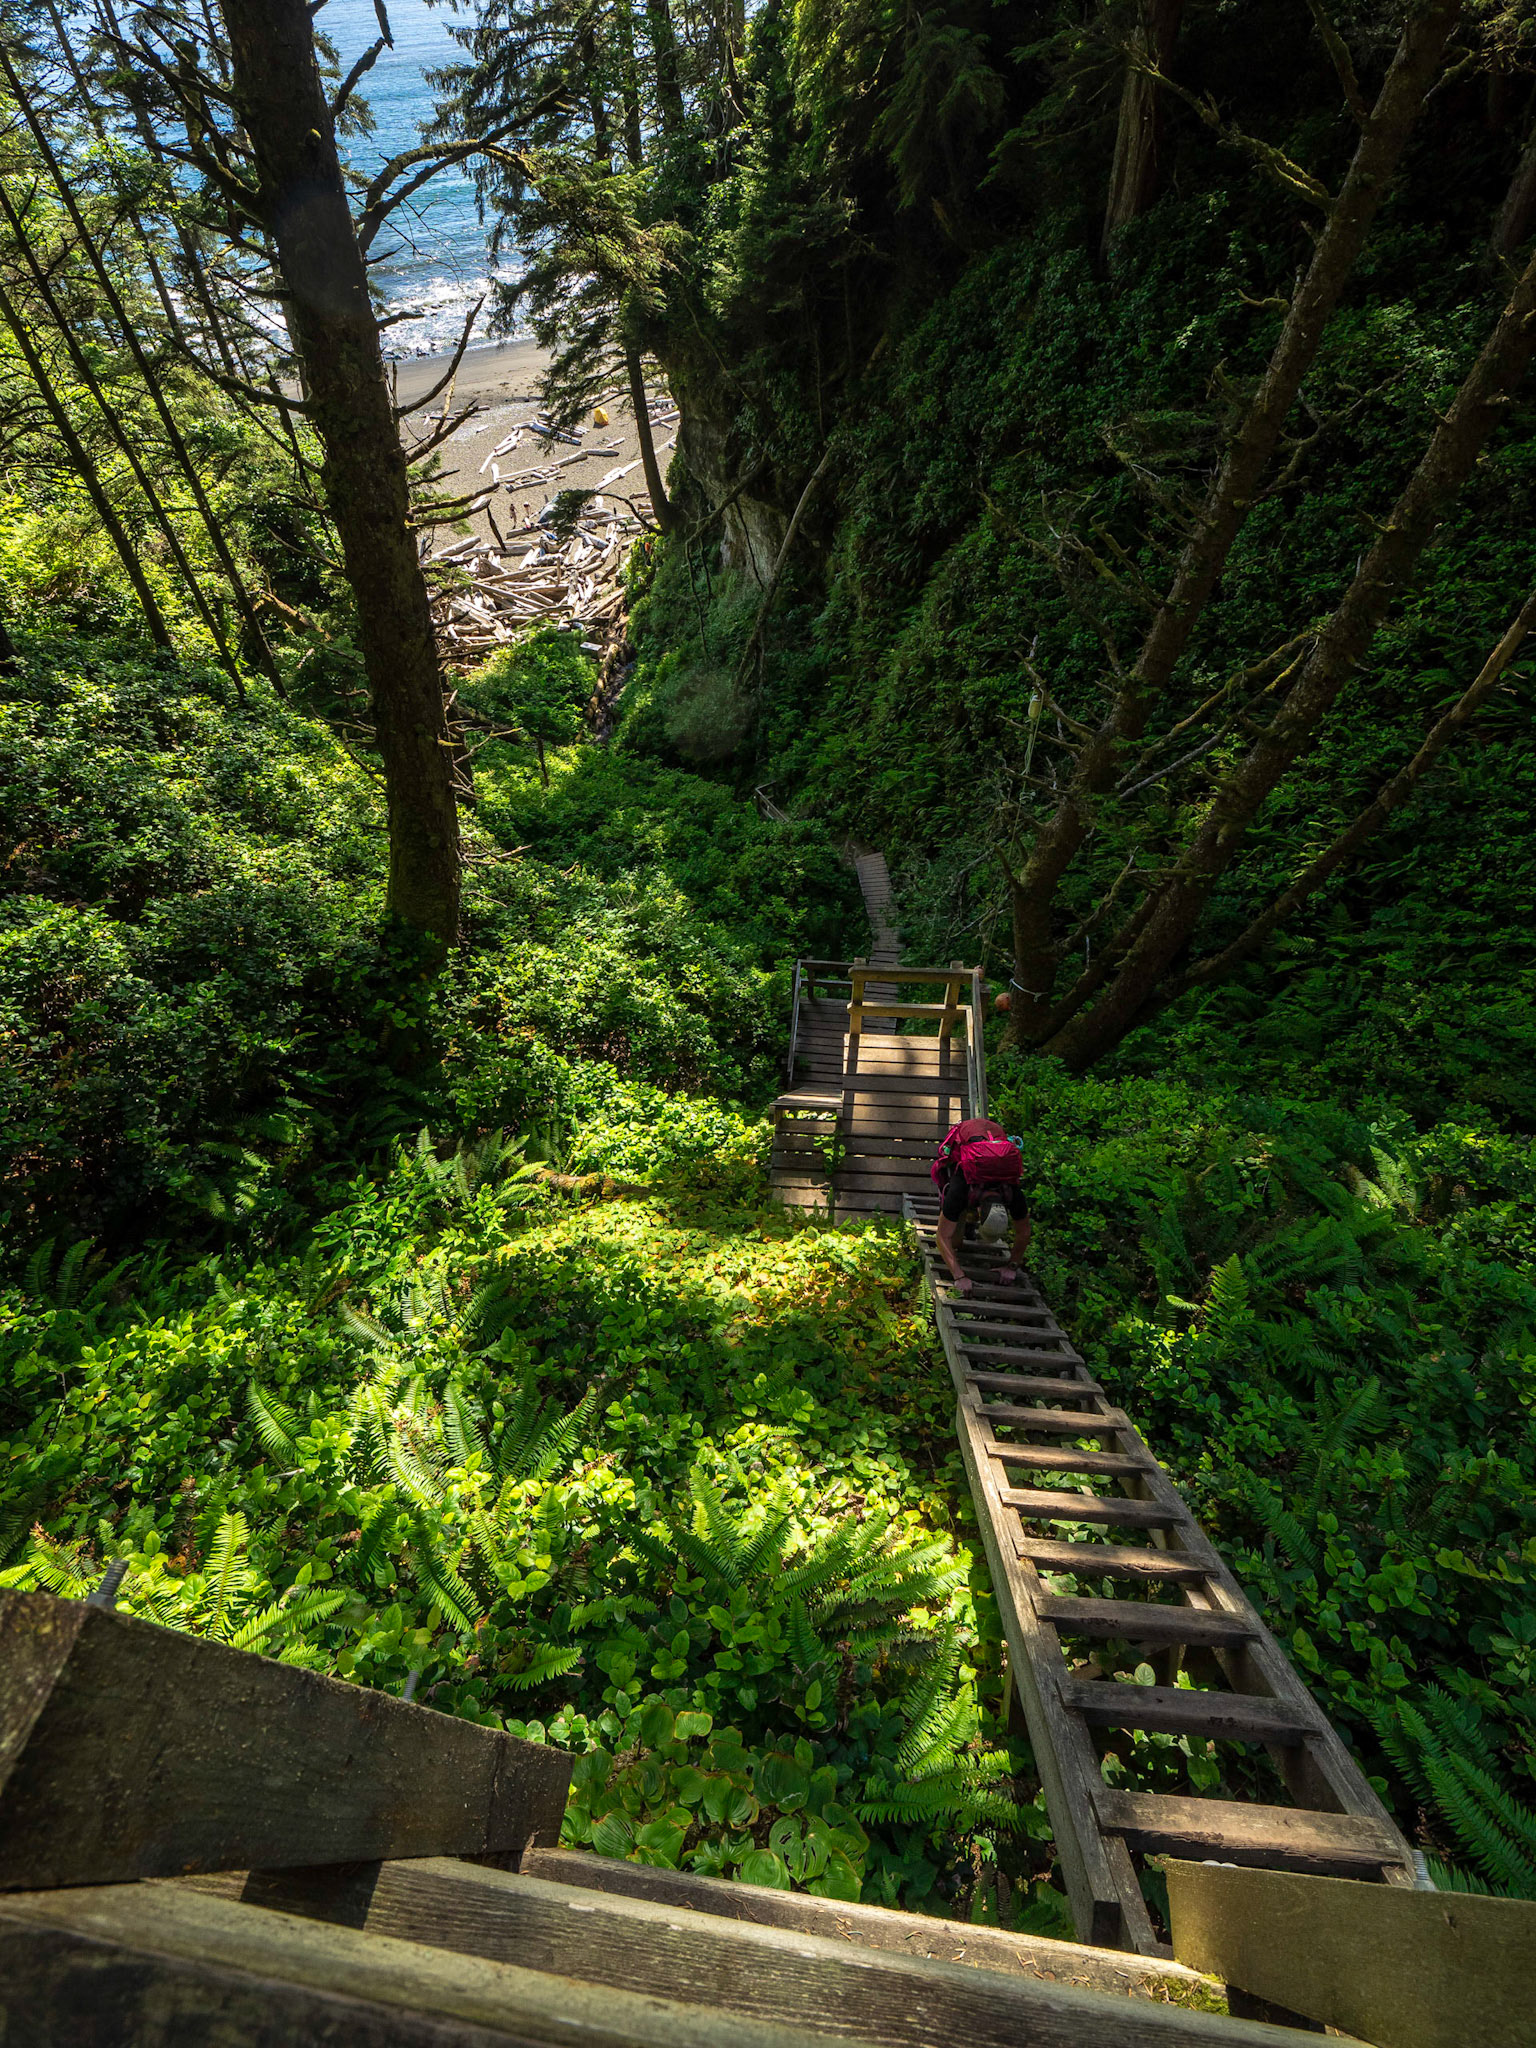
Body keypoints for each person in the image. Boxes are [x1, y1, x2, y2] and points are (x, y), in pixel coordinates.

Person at [931, 1117, 1031, 1294]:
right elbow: (942, 1236)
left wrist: (1012, 1266)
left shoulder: (1011, 1190)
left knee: (956, 1232)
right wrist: (959, 1276)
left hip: (993, 1140)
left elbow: (1024, 1232)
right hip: (967, 1139)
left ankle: (967, 1224)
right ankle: (965, 1223)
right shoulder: (960, 1186)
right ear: (979, 1210)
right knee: (955, 1241)